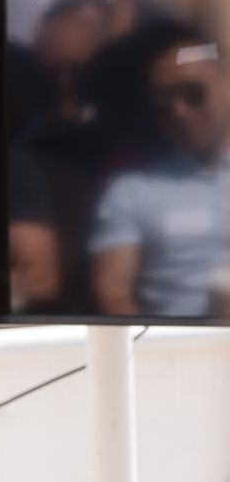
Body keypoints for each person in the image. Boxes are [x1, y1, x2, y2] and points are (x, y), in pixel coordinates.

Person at [91, 27, 229, 317]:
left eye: (193, 93)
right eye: (163, 103)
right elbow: (113, 295)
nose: (178, 111)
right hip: (175, 350)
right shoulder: (131, 190)